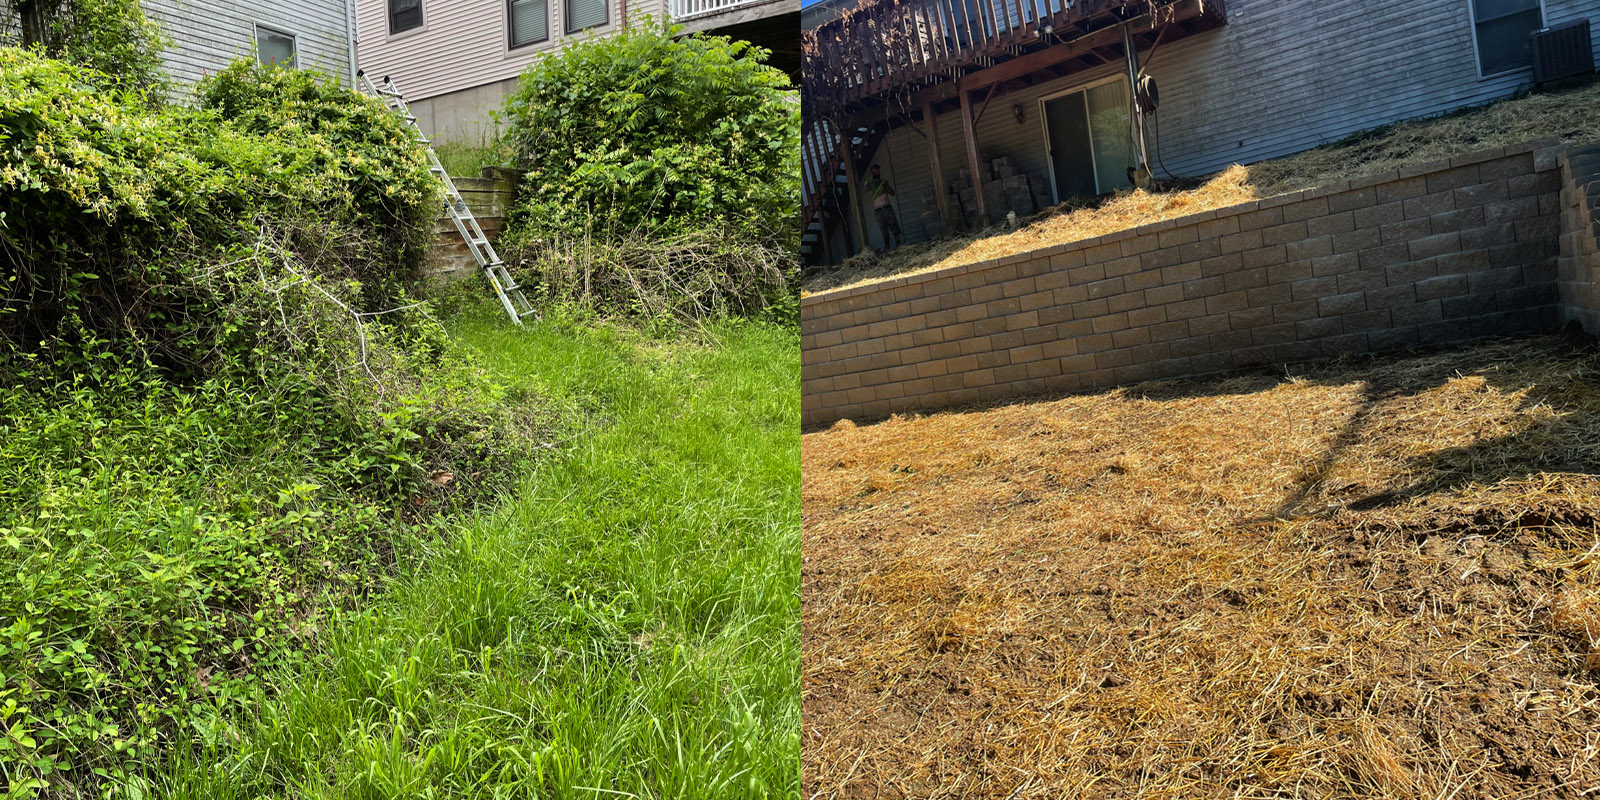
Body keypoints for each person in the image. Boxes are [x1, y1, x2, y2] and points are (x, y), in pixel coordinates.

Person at [863, 164, 902, 250]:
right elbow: (866, 189)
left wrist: (886, 188)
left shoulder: (884, 182)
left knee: (894, 226)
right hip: (878, 210)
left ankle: (899, 245)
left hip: (887, 207)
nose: (877, 171)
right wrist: (869, 183)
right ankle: (887, 247)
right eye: (874, 170)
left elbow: (892, 193)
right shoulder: (870, 184)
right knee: (883, 229)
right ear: (872, 172)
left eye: (877, 170)